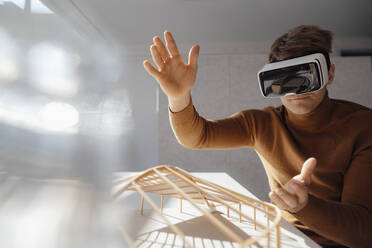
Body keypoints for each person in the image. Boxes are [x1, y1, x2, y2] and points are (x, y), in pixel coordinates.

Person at [143, 25, 372, 248]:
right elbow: (198, 136)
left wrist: (304, 206)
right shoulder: (261, 123)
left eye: (306, 74)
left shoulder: (363, 126)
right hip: (283, 237)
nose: (295, 89)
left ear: (329, 74)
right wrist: (179, 97)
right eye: (284, 78)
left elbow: (363, 233)